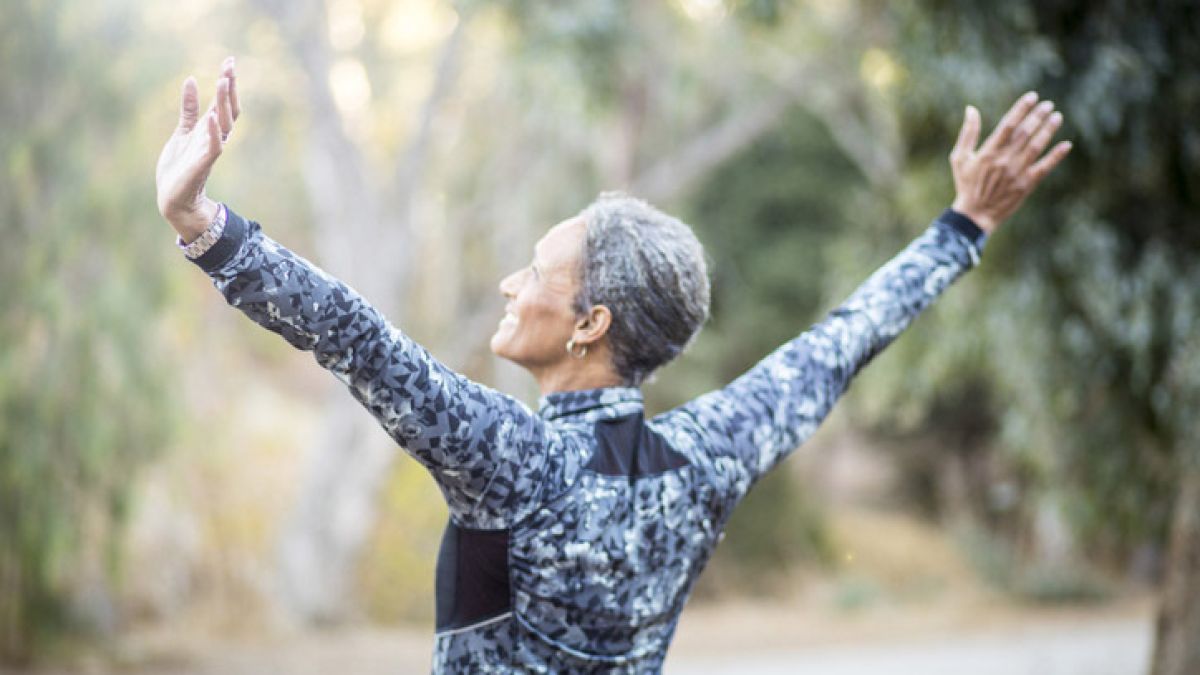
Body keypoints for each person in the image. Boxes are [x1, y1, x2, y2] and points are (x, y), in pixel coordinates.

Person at [156, 57, 1070, 673]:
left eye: (537, 273)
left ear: (590, 322)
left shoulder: (513, 460)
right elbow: (839, 346)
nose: (512, 284)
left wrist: (203, 224)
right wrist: (963, 226)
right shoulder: (707, 460)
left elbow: (357, 338)